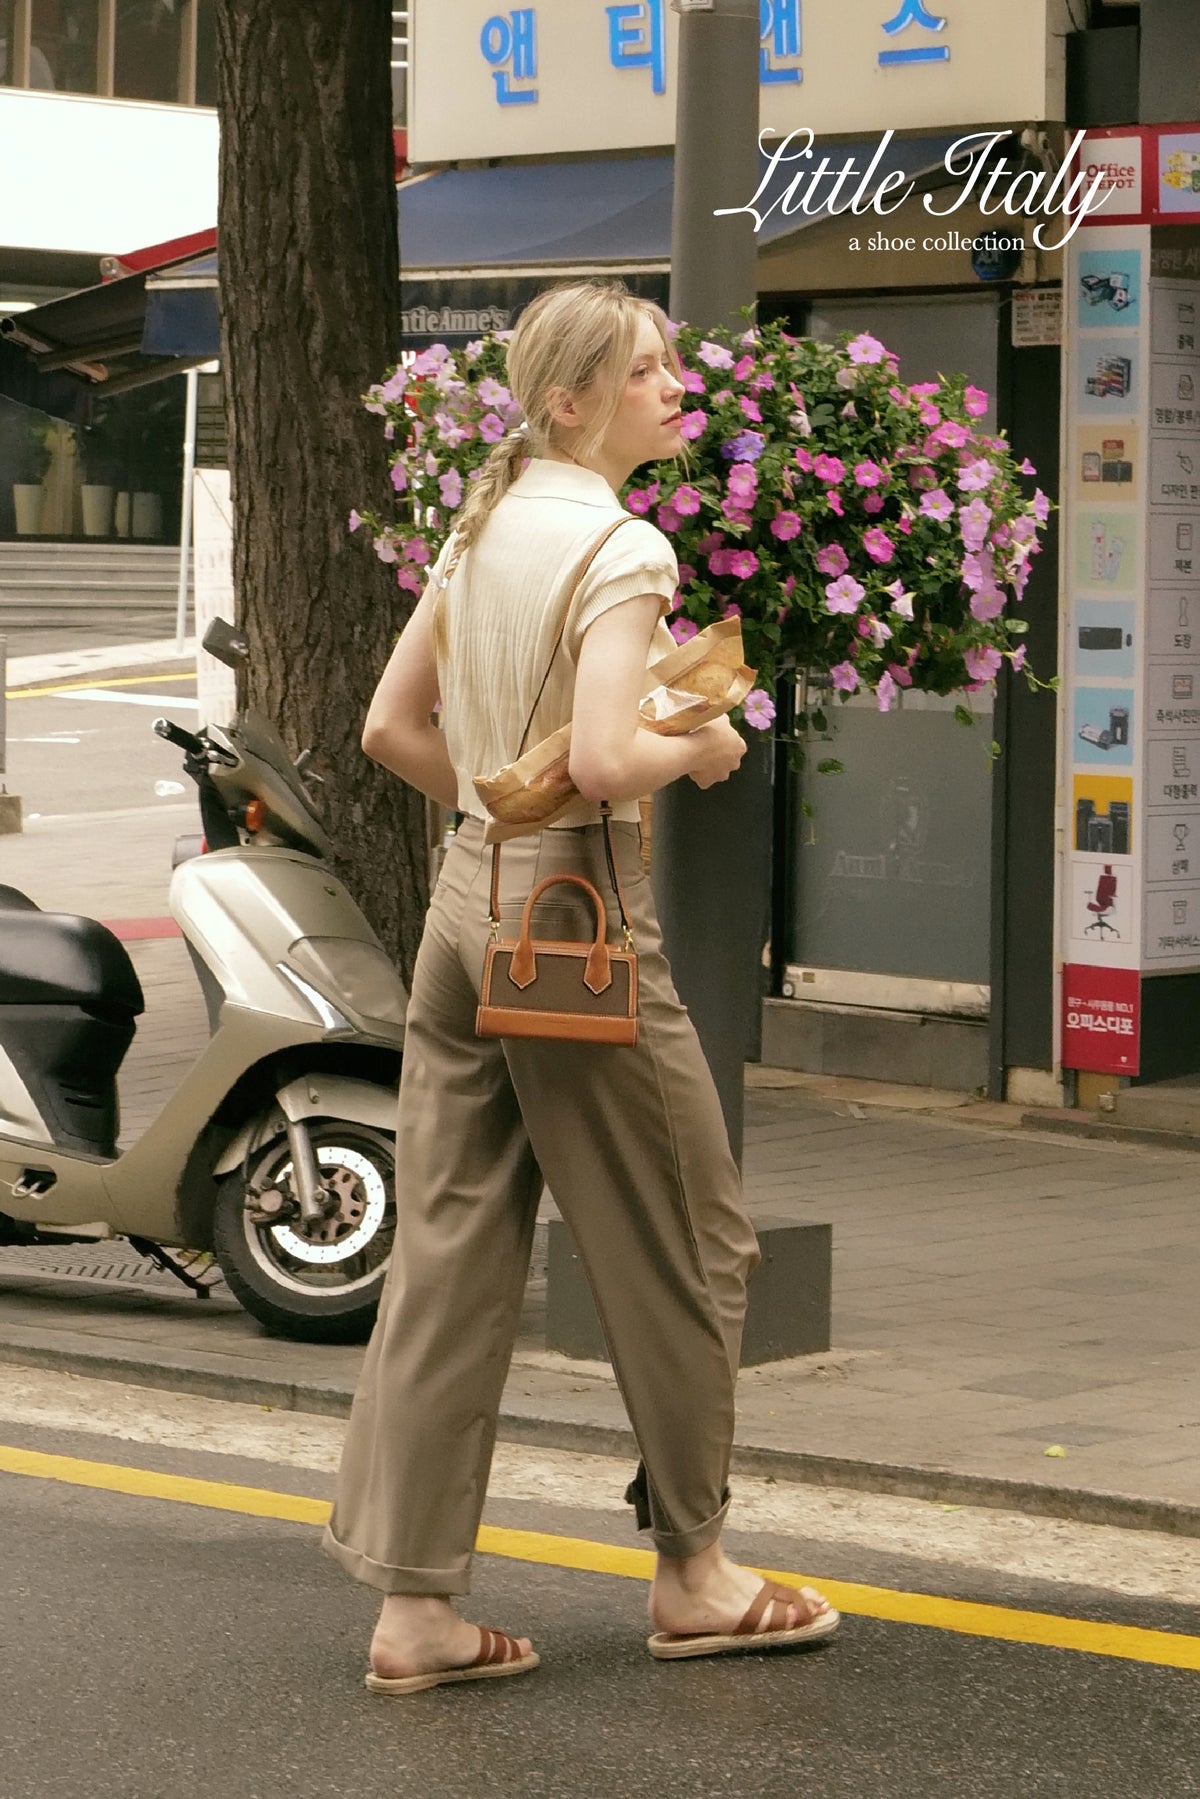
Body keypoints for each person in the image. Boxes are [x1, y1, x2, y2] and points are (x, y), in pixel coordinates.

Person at [323, 279, 838, 1694]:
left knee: (450, 1249)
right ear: (571, 402)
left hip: (465, 910)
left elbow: (391, 725)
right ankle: (696, 1572)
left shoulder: (481, 528)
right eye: (648, 368)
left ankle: (415, 1608)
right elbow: (613, 762)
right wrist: (706, 746)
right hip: (585, 925)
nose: (678, 384)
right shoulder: (622, 551)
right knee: (692, 1240)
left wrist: (500, 824)